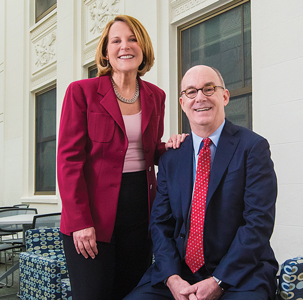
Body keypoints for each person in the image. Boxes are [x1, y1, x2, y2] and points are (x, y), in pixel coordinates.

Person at [57, 15, 186, 300]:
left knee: (132, 294)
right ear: (105, 51)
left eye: (132, 39)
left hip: (140, 215)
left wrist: (174, 145)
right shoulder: (82, 92)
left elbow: (150, 151)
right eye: (116, 41)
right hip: (91, 217)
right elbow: (68, 161)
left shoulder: (157, 96)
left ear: (143, 48)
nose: (124, 46)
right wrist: (79, 222)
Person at [124, 65, 278, 300]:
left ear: (224, 96)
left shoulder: (252, 148)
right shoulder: (171, 158)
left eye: (209, 89)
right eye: (191, 92)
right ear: (182, 102)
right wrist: (173, 279)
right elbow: (160, 224)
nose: (200, 98)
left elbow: (258, 223)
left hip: (241, 274)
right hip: (179, 275)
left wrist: (219, 281)